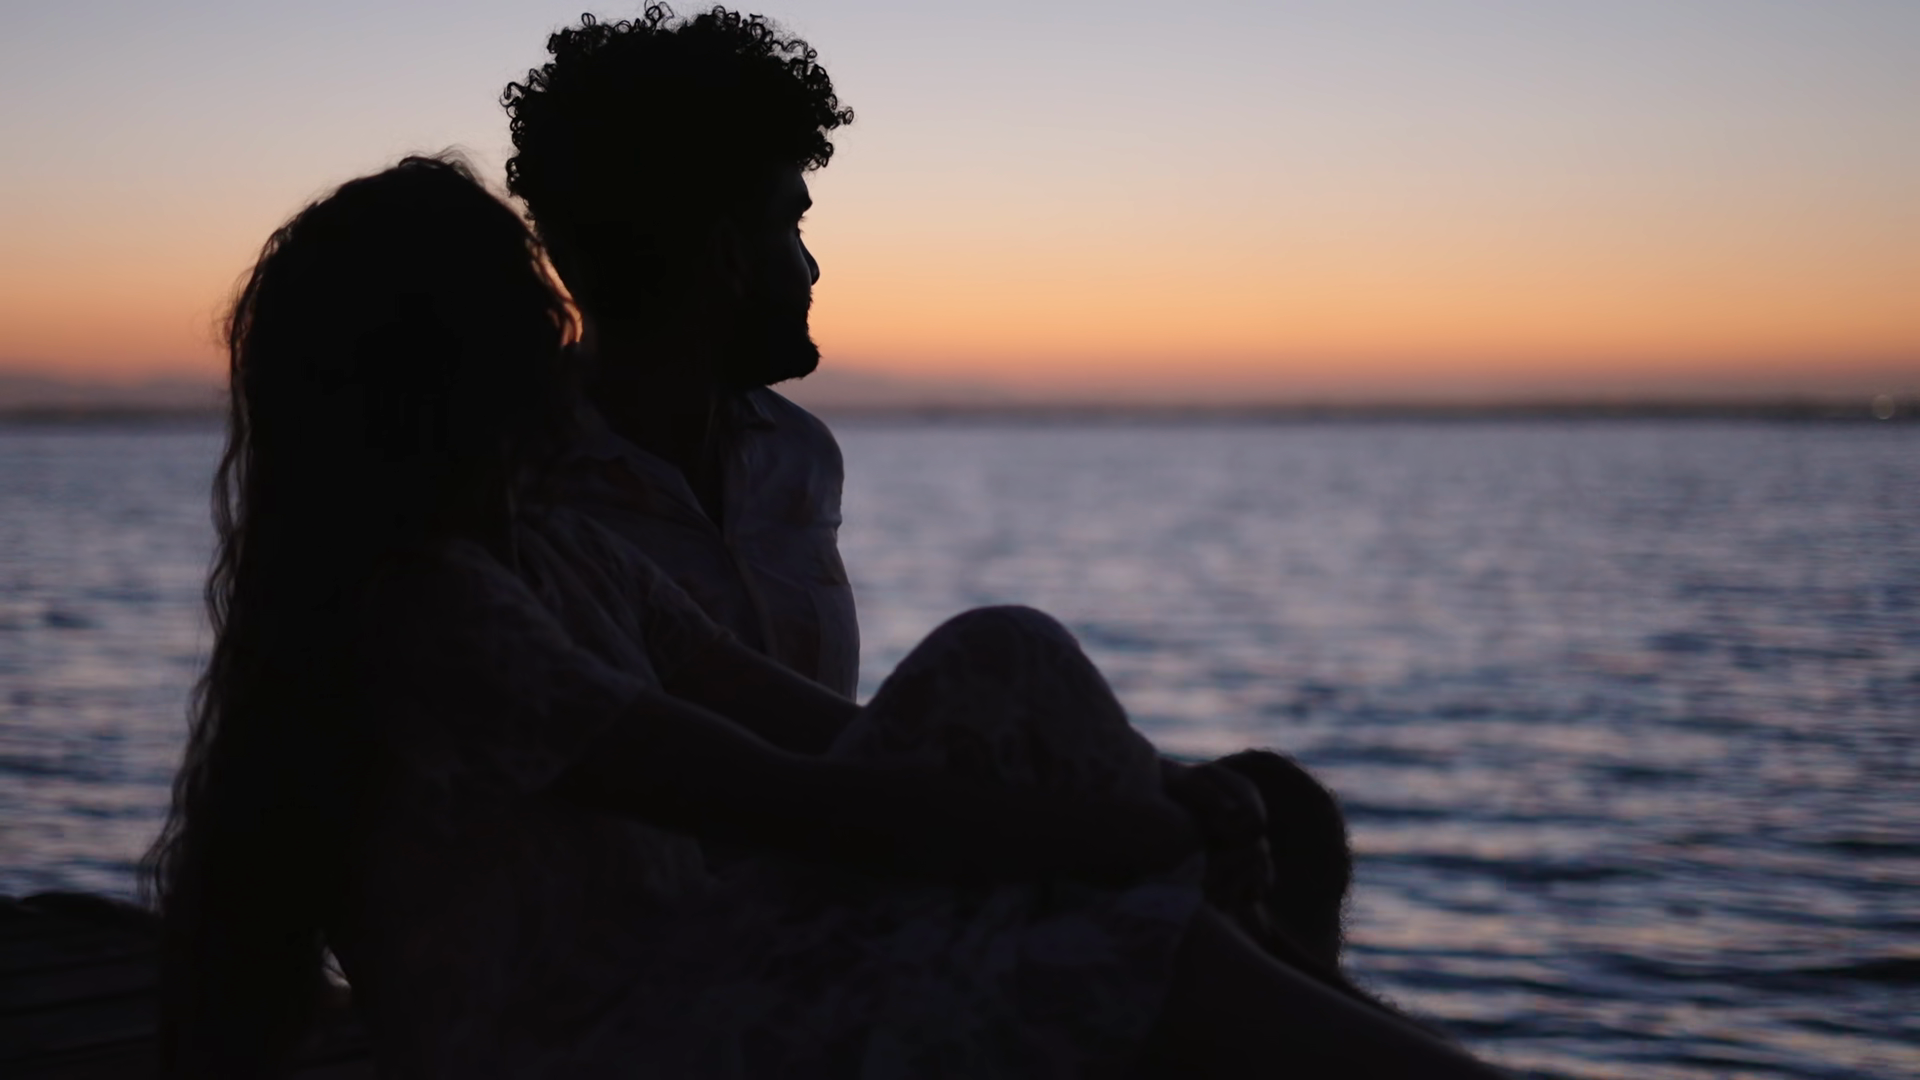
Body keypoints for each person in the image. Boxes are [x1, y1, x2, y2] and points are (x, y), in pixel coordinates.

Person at [144, 156, 1502, 1079]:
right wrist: (1123, 840)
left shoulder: (558, 557)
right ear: (454, 379)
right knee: (1114, 929)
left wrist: (1145, 806)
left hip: (695, 983)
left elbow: (829, 736)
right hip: (598, 1047)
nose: (562, 346)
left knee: (1004, 657)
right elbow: (793, 805)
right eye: (528, 325)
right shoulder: (429, 615)